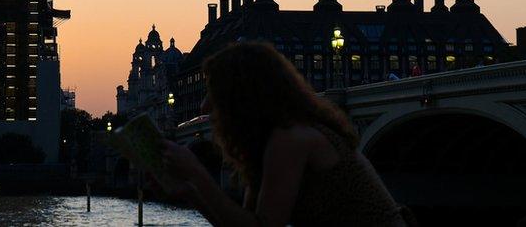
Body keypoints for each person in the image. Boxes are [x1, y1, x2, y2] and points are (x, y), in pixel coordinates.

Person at [159, 41, 414, 226]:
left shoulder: (292, 139)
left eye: (215, 91)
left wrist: (196, 172)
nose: (205, 106)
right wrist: (191, 192)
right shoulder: (276, 142)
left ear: (244, 96)